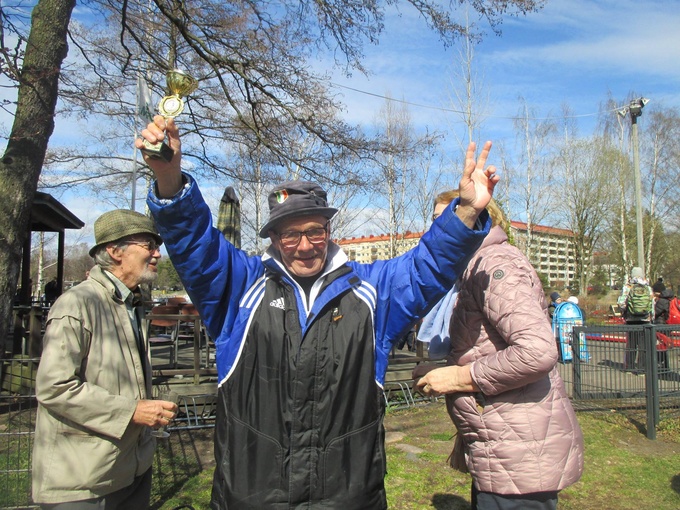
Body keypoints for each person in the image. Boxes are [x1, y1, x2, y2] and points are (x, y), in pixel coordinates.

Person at [136, 115, 498, 508]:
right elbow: (195, 247)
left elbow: (425, 267)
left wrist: (465, 212)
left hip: (348, 498)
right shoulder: (239, 286)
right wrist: (169, 178)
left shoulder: (370, 291)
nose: (305, 245)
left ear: (329, 232)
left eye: (315, 231)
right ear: (274, 237)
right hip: (252, 497)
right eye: (291, 234)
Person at [415, 192, 584, 510]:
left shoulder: (495, 264)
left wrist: (458, 377)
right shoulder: (473, 266)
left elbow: (537, 351)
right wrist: (443, 371)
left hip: (519, 452)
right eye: (434, 221)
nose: (435, 230)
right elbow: (486, 346)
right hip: (504, 447)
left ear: (478, 219)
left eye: (445, 219)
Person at [32, 209, 179, 509]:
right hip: (84, 482)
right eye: (149, 245)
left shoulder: (133, 303)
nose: (157, 254)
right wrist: (132, 411)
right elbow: (54, 387)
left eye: (157, 246)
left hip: (132, 470)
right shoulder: (77, 304)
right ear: (115, 251)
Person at [618, 267, 654, 371]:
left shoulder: (627, 287)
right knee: (643, 346)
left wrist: (625, 311)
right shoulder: (648, 288)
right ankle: (642, 368)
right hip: (645, 319)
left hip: (631, 320)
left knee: (631, 344)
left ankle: (630, 367)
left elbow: (621, 303)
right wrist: (651, 316)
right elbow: (652, 304)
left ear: (632, 275)